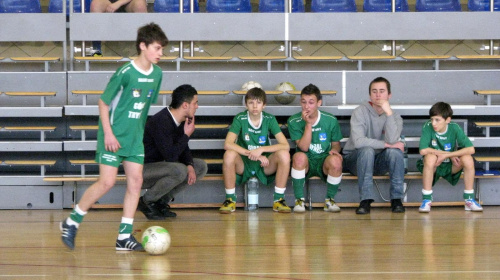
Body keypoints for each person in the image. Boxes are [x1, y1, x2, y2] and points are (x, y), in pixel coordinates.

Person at [60, 23, 168, 251]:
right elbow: (103, 103)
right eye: (157, 48)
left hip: (134, 138)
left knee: (136, 182)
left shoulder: (157, 74)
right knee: (107, 182)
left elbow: (143, 107)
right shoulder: (125, 73)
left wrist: (138, 134)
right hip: (112, 135)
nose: (161, 53)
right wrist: (108, 133)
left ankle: (124, 237)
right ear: (143, 46)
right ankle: (71, 222)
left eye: (161, 49)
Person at [138, 84, 208, 220]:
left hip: (162, 167)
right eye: (195, 103)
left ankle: (161, 202)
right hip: (143, 170)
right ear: (185, 105)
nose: (197, 106)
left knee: (199, 167)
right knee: (179, 170)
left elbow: (182, 148)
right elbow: (170, 156)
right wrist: (186, 135)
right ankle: (147, 201)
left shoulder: (181, 120)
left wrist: (189, 164)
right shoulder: (161, 121)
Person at [219, 88, 291, 214]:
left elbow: (285, 145)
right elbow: (228, 144)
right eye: (251, 102)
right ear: (246, 104)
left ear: (264, 105)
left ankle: (279, 199)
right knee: (229, 154)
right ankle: (230, 199)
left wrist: (262, 149)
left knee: (284, 154)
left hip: (265, 165)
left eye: (258, 102)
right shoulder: (240, 118)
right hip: (244, 163)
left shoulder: (269, 119)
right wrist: (254, 155)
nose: (255, 106)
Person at [343, 77, 406, 214]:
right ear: (370, 94)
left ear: (389, 95)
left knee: (395, 153)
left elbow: (393, 139)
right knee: (367, 150)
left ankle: (396, 200)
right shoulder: (359, 112)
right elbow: (359, 142)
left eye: (382, 91)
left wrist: (389, 113)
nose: (378, 95)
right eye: (374, 91)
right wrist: (386, 144)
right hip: (355, 159)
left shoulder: (395, 117)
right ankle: (365, 201)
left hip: (379, 161)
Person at [417, 102, 483, 213]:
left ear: (447, 120)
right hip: (435, 166)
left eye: (437, 120)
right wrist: (444, 154)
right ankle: (427, 200)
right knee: (430, 158)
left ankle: (469, 199)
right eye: (432, 119)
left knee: (467, 158)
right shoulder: (428, 126)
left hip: (450, 166)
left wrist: (450, 155)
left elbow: (471, 149)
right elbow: (423, 150)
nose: (433, 123)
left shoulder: (454, 127)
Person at [288, 84, 343, 213]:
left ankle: (329, 200)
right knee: (298, 157)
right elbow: (303, 147)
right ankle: (299, 201)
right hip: (306, 160)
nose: (307, 106)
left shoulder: (330, 120)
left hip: (324, 159)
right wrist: (308, 124)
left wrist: (335, 150)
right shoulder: (293, 121)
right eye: (303, 102)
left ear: (319, 102)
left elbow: (336, 143)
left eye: (311, 102)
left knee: (336, 161)